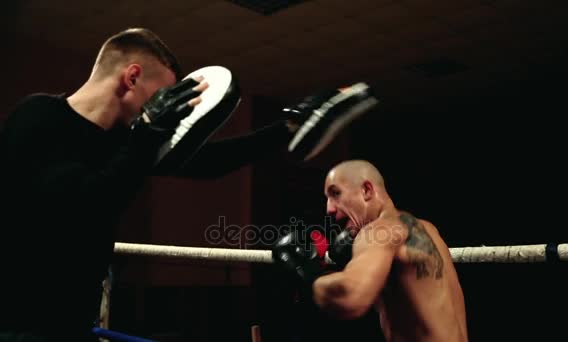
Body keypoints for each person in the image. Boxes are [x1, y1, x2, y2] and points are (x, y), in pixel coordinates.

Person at [0, 27, 375, 341]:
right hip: (17, 325)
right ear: (131, 77)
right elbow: (82, 206)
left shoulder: (123, 142)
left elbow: (208, 162)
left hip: (69, 326)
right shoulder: (38, 118)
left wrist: (287, 127)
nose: (172, 111)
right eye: (164, 95)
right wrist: (145, 136)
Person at [273, 160, 468, 342]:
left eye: (336, 193)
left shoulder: (378, 231)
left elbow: (349, 297)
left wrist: (306, 271)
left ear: (366, 190)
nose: (329, 209)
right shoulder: (426, 228)